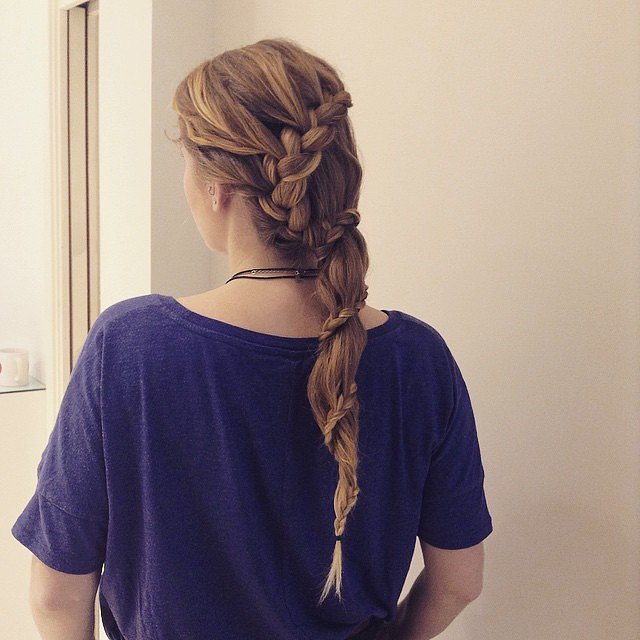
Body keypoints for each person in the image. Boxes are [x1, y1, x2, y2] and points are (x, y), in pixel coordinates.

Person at [11, 38, 493, 639]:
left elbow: (56, 595)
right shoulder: (419, 359)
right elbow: (459, 581)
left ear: (218, 187)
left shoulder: (130, 348)